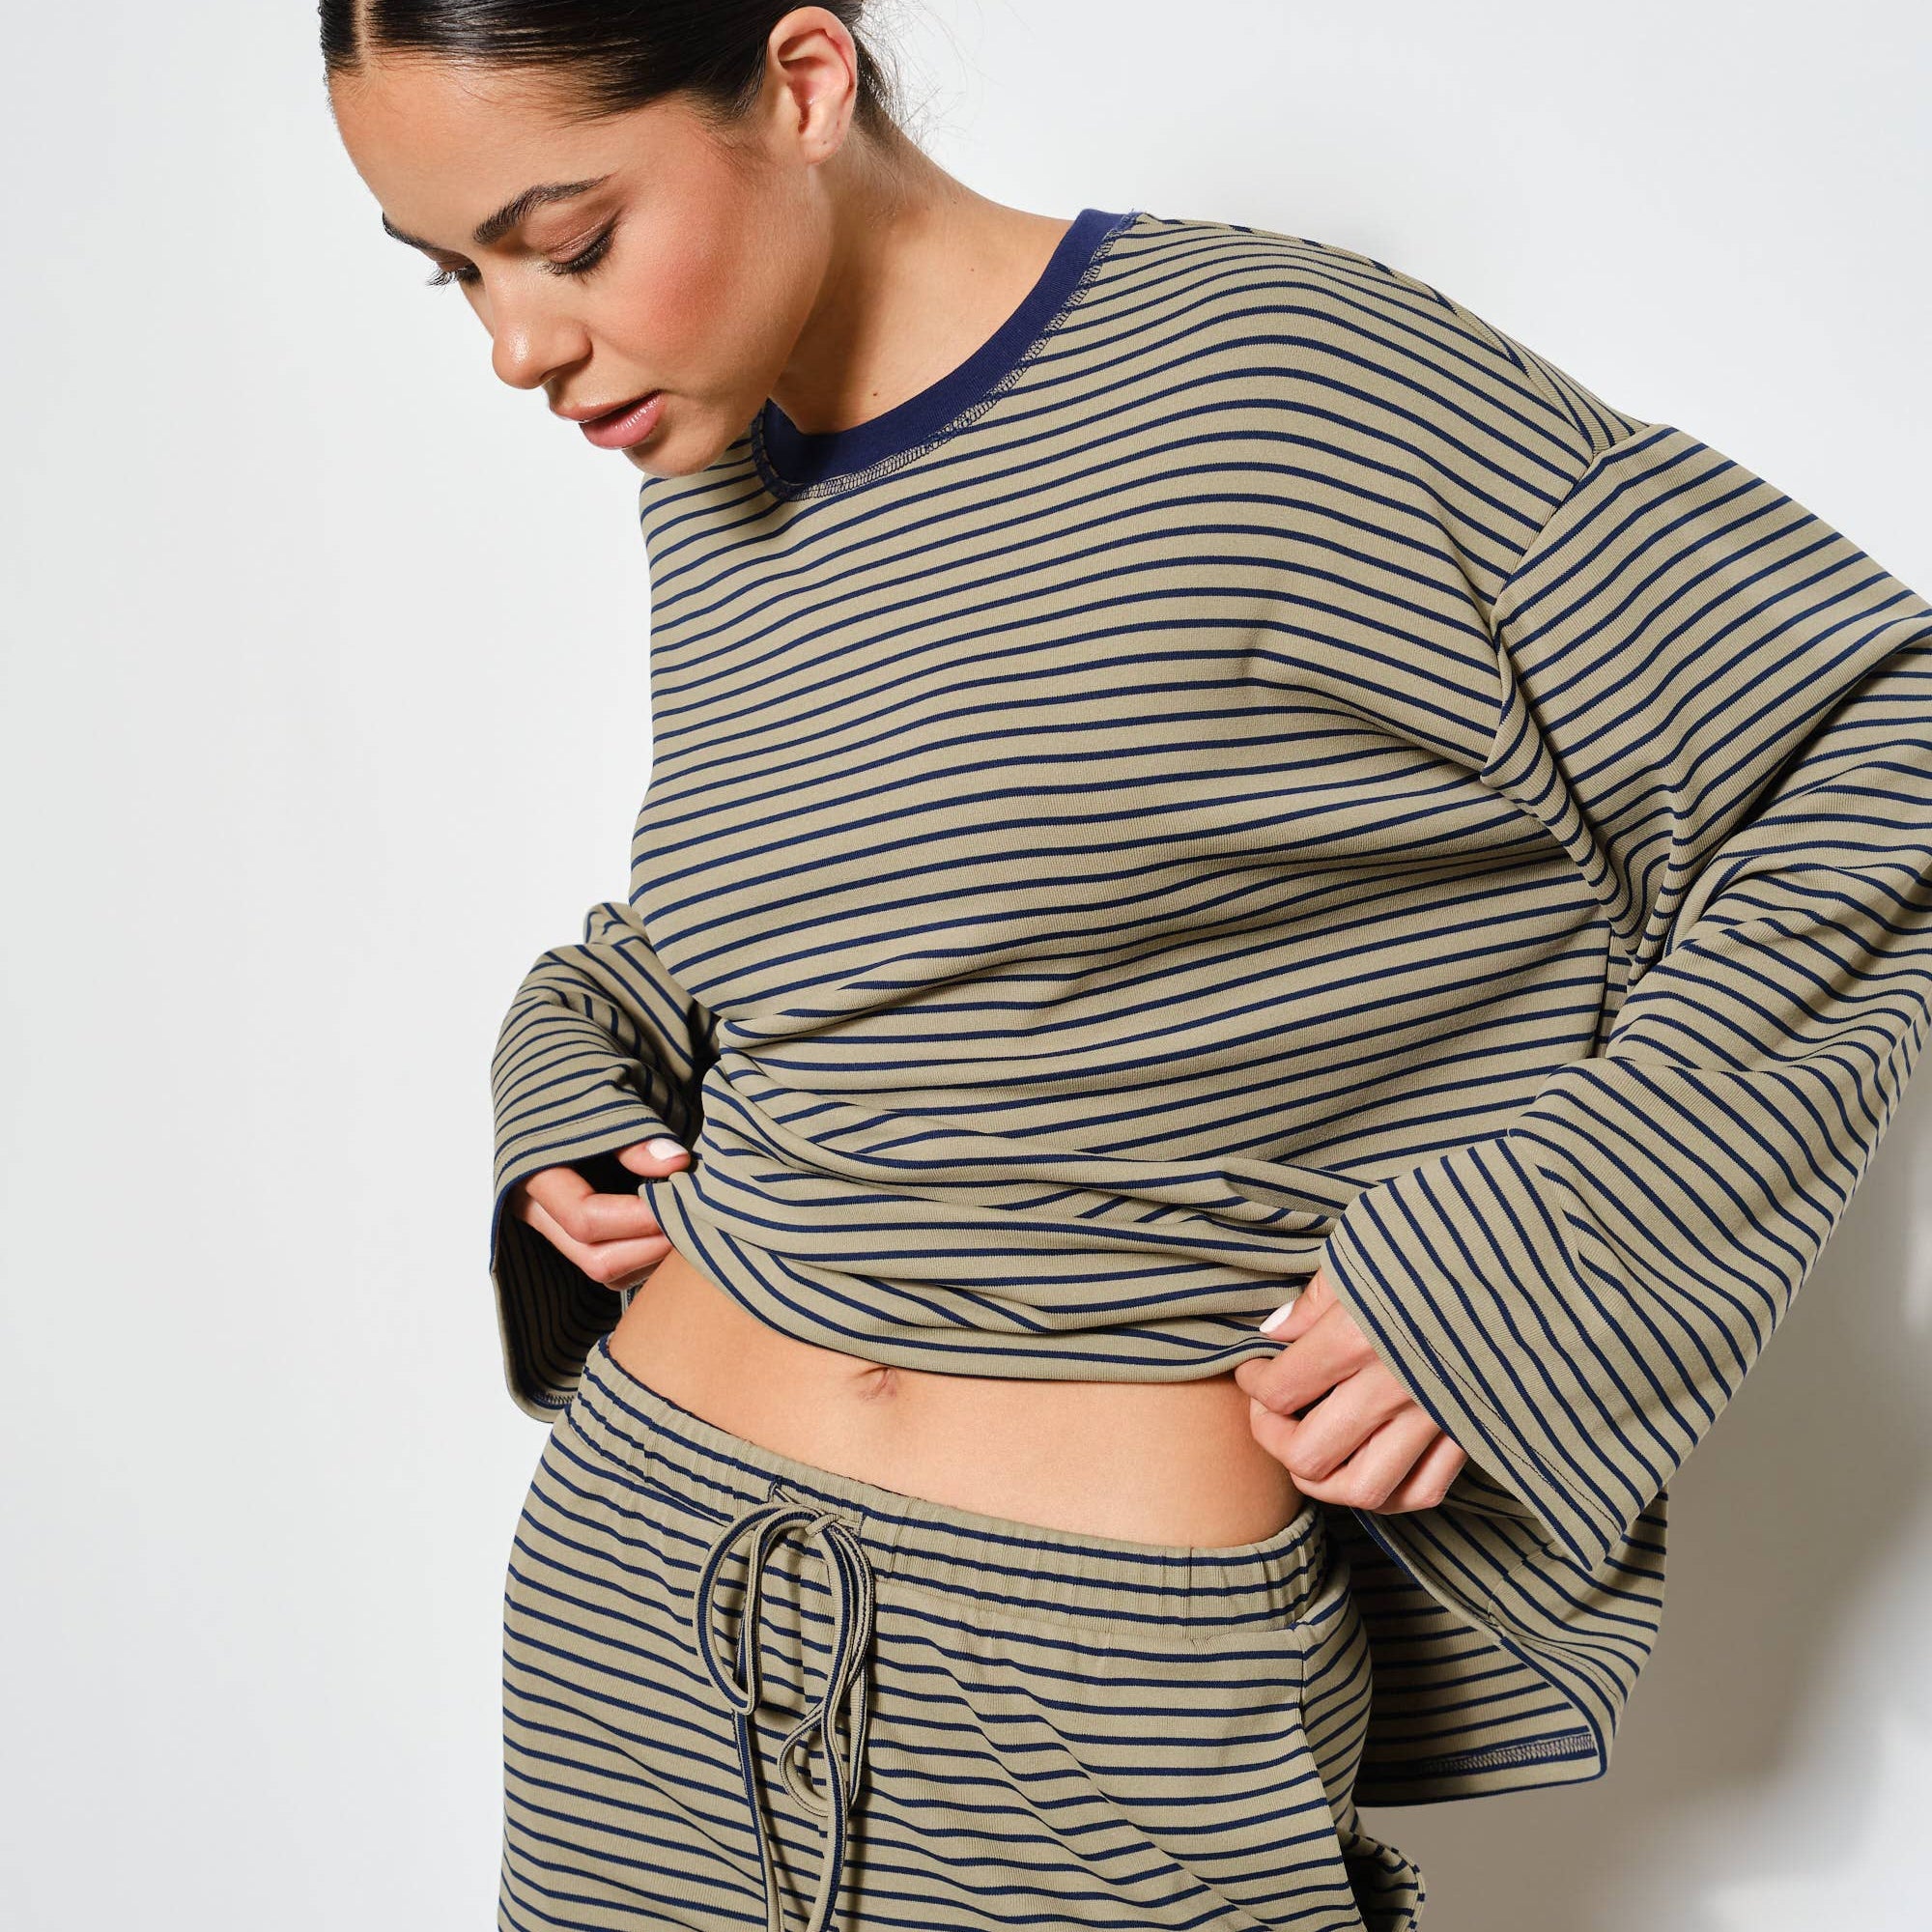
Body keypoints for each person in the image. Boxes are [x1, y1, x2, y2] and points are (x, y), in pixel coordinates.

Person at [322, 6, 1932, 1928]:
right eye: (457, 275)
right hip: (640, 1612)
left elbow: (1876, 741)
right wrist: (573, 1075)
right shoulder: (710, 473)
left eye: (569, 237)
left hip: (1101, 1687)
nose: (519, 345)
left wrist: (1547, 1240)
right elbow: (820, 930)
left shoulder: (1286, 382)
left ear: (806, 85)